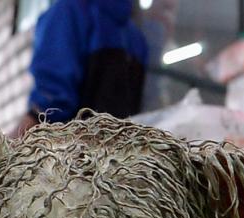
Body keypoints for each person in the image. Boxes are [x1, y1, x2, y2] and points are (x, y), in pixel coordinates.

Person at [16, 0, 147, 135]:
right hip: (121, 148)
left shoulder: (68, 11)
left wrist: (13, 142)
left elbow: (53, 100)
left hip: (71, 148)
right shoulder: (135, 36)